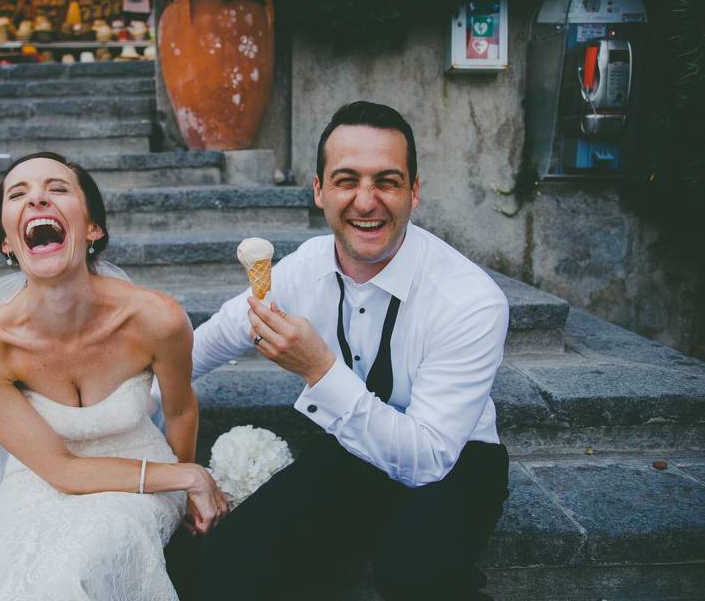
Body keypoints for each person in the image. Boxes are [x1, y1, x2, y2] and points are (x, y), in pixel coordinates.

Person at [167, 101, 511, 600]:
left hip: (457, 458)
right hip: (350, 449)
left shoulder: (471, 300)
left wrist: (318, 369)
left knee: (417, 575)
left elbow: (428, 459)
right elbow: (210, 342)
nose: (365, 201)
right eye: (346, 180)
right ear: (319, 190)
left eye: (387, 182)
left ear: (414, 192)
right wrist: (128, 409)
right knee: (227, 558)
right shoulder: (303, 268)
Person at [0, 152, 228, 601]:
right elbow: (59, 470)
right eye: (18, 194)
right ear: (7, 242)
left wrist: (179, 483)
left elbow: (179, 409)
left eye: (57, 188)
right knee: (12, 579)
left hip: (142, 480)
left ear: (93, 228)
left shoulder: (157, 319)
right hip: (39, 482)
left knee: (81, 563)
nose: (37, 198)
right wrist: (191, 477)